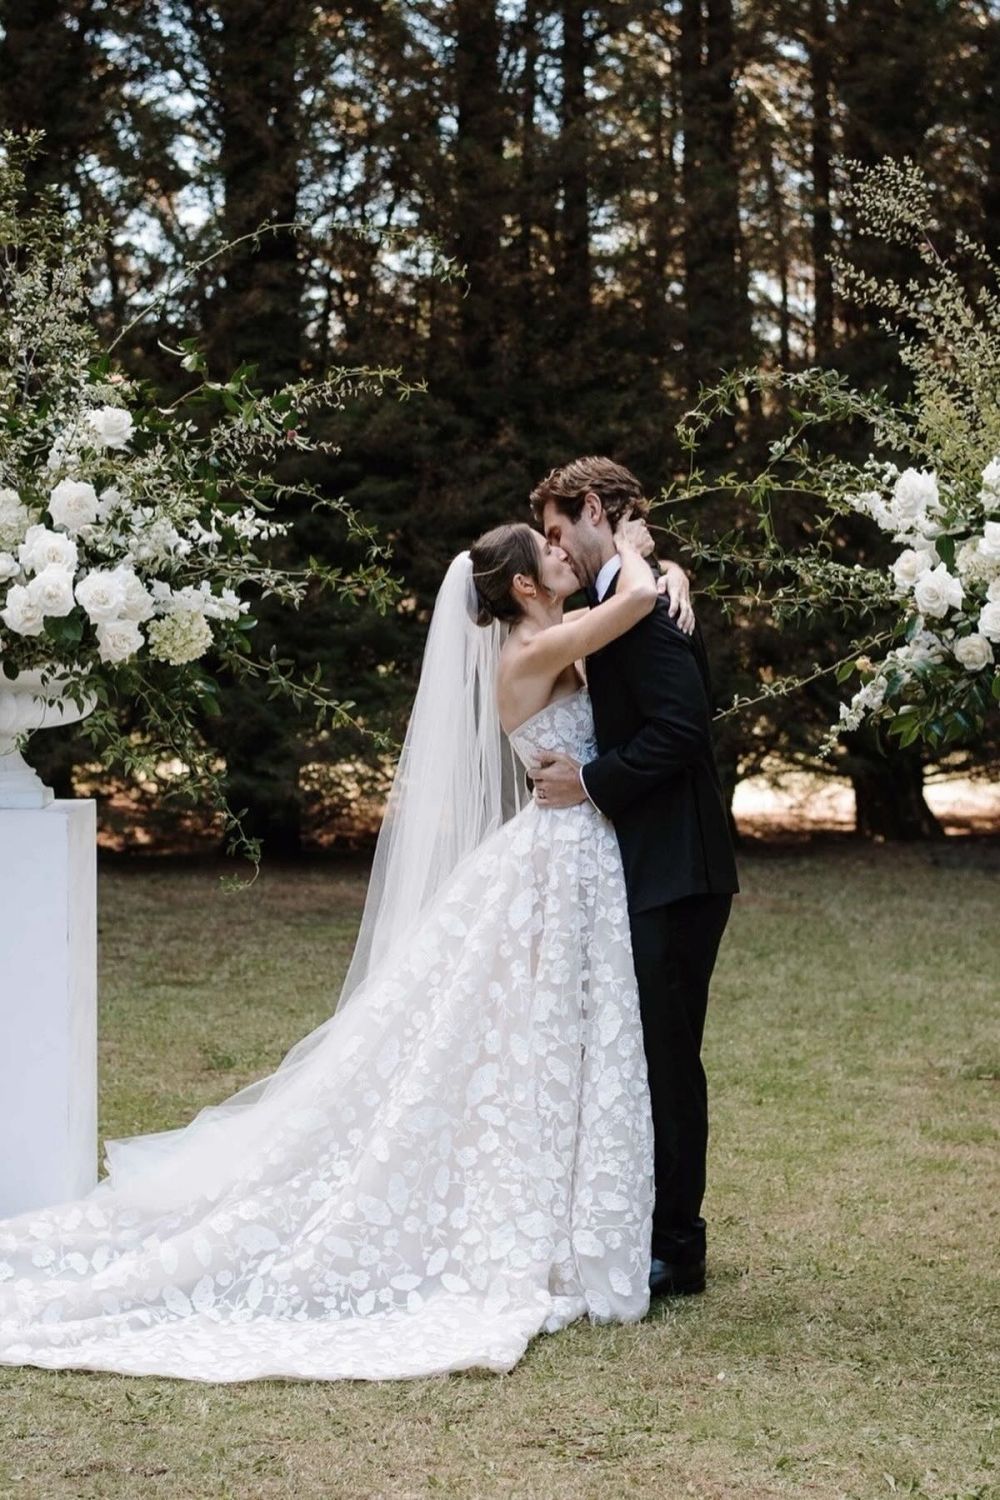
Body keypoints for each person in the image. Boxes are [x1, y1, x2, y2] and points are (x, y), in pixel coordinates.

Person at [0, 515, 690, 1385]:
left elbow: (631, 622)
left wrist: (672, 580)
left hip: (574, 848)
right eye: (551, 550)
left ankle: (566, 1214)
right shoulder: (529, 652)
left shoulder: (550, 635)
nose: (566, 553)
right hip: (558, 855)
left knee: (544, 1042)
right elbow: (631, 599)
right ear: (522, 584)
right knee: (534, 1041)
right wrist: (632, 542)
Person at [531, 457, 739, 1299]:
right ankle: (649, 1225)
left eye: (555, 532)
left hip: (679, 865)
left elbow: (685, 728)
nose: (556, 550)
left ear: (591, 510)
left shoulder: (648, 608)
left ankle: (679, 1248)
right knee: (645, 1054)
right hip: (644, 863)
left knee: (669, 1056)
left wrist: (590, 782)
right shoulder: (632, 598)